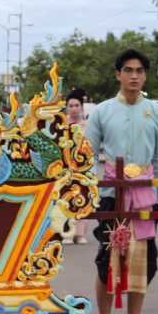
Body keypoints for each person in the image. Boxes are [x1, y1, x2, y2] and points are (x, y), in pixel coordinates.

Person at [85, 49, 158, 314]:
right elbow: (86, 156)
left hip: (144, 197)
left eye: (140, 70)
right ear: (118, 74)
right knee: (107, 261)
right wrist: (87, 191)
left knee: (143, 261)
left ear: (146, 75)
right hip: (111, 196)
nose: (134, 76)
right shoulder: (101, 111)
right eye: (128, 70)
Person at [63, 90, 88, 245]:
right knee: (66, 199)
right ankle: (67, 232)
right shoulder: (61, 125)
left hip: (84, 168)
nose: (73, 108)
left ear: (81, 107)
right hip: (65, 168)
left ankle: (79, 234)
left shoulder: (88, 125)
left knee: (82, 199)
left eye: (76, 105)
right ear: (66, 107)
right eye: (70, 105)